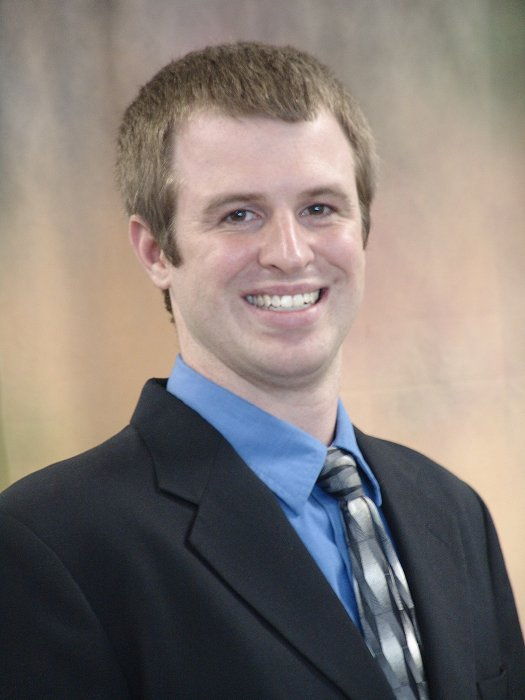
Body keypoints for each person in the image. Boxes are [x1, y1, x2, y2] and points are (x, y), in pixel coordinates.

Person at [1, 42, 523, 700]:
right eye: (239, 215)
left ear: (362, 227)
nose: (288, 253)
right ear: (156, 251)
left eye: (319, 208)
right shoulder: (47, 545)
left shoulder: (452, 512)